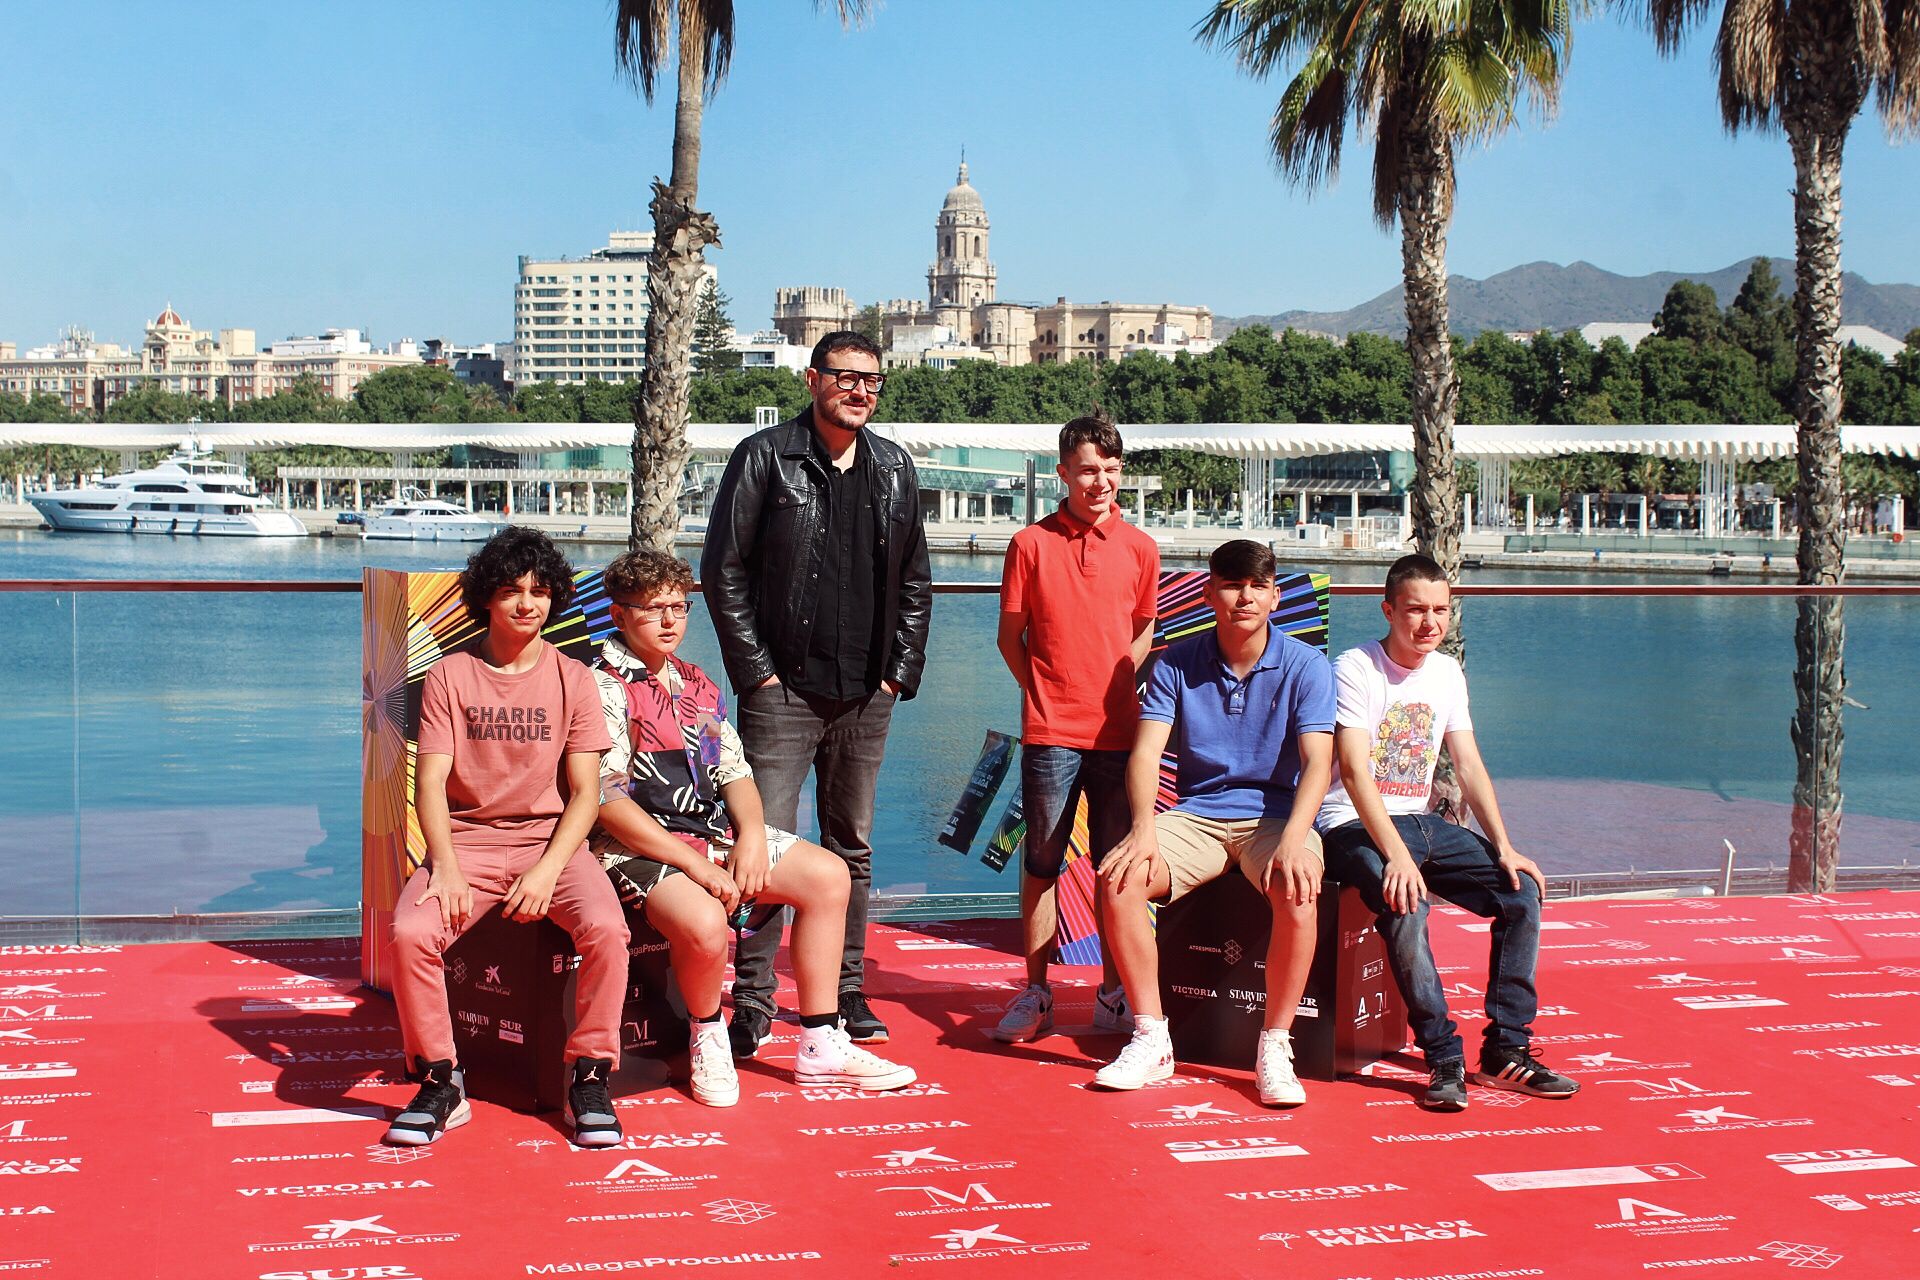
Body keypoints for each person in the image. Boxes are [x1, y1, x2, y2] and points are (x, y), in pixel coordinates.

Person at [588, 550, 917, 1102]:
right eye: (653, 610)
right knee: (704, 922)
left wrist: (753, 835)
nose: (671, 621)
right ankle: (708, 1037)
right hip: (633, 848)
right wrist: (692, 863)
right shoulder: (598, 688)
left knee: (830, 876)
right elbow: (607, 803)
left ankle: (819, 1041)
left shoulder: (696, 684)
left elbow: (731, 770)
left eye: (679, 607)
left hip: (707, 833)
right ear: (619, 615)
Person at [700, 330, 931, 1057]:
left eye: (872, 380)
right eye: (845, 377)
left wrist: (898, 673)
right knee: (760, 849)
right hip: (784, 692)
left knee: (851, 848)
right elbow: (724, 570)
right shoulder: (765, 457)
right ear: (812, 380)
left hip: (867, 693)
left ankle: (847, 990)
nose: (859, 390)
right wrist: (758, 675)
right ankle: (756, 1000)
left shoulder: (895, 468)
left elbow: (916, 582)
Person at [385, 527, 630, 1148]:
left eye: (541, 592)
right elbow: (433, 786)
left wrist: (548, 870)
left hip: (553, 843)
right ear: (486, 599)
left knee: (608, 929)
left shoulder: (575, 679)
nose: (528, 604)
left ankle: (590, 1072)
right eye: (513, 591)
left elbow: (585, 794)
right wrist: (443, 865)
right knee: (411, 932)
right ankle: (441, 1079)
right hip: (465, 840)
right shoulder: (449, 676)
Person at [1317, 553, 1579, 1112]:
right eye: (1415, 610)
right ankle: (1442, 1056)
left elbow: (1469, 764)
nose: (1429, 622)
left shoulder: (1447, 672)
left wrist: (1505, 845)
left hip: (1423, 822)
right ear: (1388, 610)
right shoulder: (1355, 668)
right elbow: (1357, 772)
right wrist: (1395, 856)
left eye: (1440, 610)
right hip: (1350, 823)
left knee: (1520, 894)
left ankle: (1506, 1051)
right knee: (1406, 903)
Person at [1094, 540, 1334, 1106]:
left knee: (1298, 891)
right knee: (1119, 881)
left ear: (1275, 596)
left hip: (1275, 817)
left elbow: (1319, 763)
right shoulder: (1177, 661)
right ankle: (1152, 1036)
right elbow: (1147, 752)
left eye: (1256, 585)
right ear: (1208, 594)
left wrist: (1297, 840)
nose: (1243, 596)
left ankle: (1275, 1045)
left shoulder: (1306, 664)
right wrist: (1143, 830)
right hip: (1197, 816)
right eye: (1231, 583)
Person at [989, 410, 1159, 1043]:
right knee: (1041, 862)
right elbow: (1011, 637)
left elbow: (1142, 627)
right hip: (1050, 732)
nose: (1101, 481)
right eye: (1088, 469)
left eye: (1111, 470)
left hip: (1122, 734)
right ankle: (1037, 991)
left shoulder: (1142, 547)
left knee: (1120, 870)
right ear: (1063, 472)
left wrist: (1117, 682)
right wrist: (1043, 694)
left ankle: (1114, 992)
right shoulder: (1028, 544)